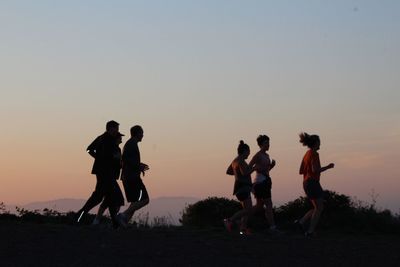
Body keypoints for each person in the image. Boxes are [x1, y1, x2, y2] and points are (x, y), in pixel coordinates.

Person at [75, 120, 124, 228]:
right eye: (116, 129)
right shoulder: (108, 140)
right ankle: (78, 217)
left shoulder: (101, 138)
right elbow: (90, 150)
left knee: (107, 197)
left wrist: (98, 158)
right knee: (99, 198)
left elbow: (89, 150)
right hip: (106, 174)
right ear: (110, 128)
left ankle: (115, 223)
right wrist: (102, 159)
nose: (117, 131)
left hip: (104, 173)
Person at [295, 132, 334, 237]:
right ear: (315, 143)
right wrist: (328, 167)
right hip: (312, 182)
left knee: (317, 207)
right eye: (319, 142)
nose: (320, 144)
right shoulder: (314, 154)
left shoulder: (307, 154)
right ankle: (310, 231)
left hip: (306, 183)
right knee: (319, 208)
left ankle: (301, 222)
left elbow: (300, 171)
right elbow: (315, 169)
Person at [117, 125, 150, 227]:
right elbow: (126, 161)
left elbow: (128, 161)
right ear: (137, 133)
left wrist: (139, 166)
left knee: (135, 202)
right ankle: (123, 215)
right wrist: (139, 166)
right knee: (145, 199)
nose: (143, 135)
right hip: (132, 178)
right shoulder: (131, 144)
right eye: (142, 133)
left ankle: (123, 222)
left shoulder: (130, 144)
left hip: (128, 177)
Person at [92, 132, 125, 225]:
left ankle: (97, 221)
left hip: (112, 178)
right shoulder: (112, 149)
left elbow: (119, 163)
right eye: (119, 137)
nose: (121, 138)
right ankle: (115, 221)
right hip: (109, 179)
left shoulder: (117, 149)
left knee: (108, 201)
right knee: (118, 199)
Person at [248, 134, 279, 233]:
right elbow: (249, 167)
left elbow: (266, 170)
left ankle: (241, 220)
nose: (268, 145)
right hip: (260, 183)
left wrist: (272, 166)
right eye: (266, 143)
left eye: (268, 143)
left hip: (265, 181)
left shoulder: (267, 155)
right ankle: (273, 227)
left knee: (259, 206)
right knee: (269, 205)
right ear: (260, 144)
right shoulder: (258, 155)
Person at [224, 140, 254, 235]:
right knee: (248, 210)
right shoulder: (241, 161)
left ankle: (242, 229)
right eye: (248, 151)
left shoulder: (235, 161)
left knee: (247, 210)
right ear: (244, 151)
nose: (249, 153)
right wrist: (254, 168)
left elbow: (229, 171)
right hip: (243, 187)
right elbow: (245, 172)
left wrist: (236, 173)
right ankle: (230, 220)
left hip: (239, 187)